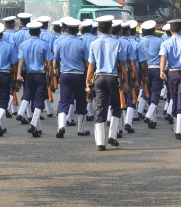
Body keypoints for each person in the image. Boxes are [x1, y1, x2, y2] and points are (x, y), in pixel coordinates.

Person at [85, 15, 128, 151]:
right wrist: (126, 81)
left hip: (99, 77)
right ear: (110, 28)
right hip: (113, 77)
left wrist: (87, 80)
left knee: (100, 107)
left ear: (99, 29)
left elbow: (91, 65)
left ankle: (100, 142)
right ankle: (112, 136)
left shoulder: (94, 43)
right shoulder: (117, 43)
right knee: (116, 105)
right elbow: (122, 64)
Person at [17, 21, 54, 138]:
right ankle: (33, 124)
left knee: (27, 93)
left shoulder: (23, 44)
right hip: (40, 74)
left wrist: (18, 74)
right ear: (39, 32)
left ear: (29, 32)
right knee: (38, 100)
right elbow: (49, 61)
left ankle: (21, 112)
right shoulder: (44, 44)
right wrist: (52, 76)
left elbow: (21, 60)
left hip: (29, 74)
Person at [54, 18, 90, 138]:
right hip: (79, 75)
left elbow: (56, 62)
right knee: (81, 100)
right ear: (77, 30)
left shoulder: (60, 43)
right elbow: (86, 63)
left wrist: (59, 71)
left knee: (64, 100)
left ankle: (61, 126)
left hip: (65, 74)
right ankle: (81, 128)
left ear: (67, 29)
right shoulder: (82, 43)